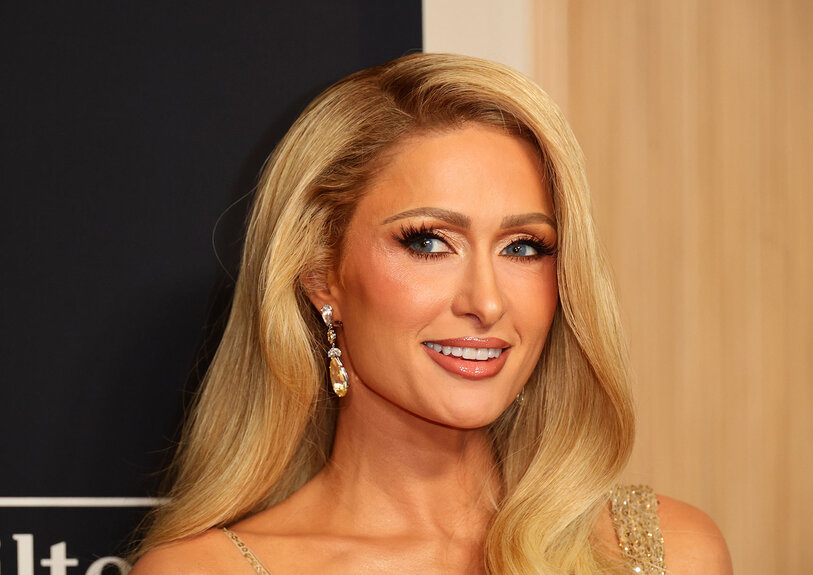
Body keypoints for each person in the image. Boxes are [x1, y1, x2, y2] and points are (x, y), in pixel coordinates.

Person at [130, 53, 732, 574]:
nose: (487, 302)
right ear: (320, 276)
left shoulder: (665, 551)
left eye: (524, 247)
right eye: (428, 242)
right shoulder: (205, 570)